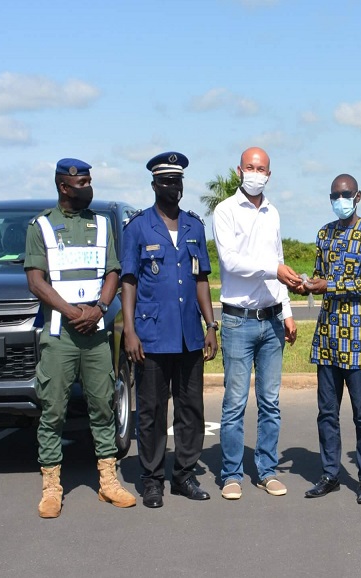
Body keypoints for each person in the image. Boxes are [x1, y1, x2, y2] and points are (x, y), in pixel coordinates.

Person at [24, 158, 137, 518]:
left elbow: (113, 272)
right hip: (60, 334)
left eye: (89, 181)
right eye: (84, 182)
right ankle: (52, 486)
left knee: (102, 404)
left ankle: (108, 481)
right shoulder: (41, 226)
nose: (89, 187)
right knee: (53, 409)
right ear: (64, 186)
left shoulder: (102, 225)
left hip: (96, 332)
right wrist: (74, 312)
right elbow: (36, 280)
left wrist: (100, 308)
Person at [121, 152, 218, 508]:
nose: (172, 187)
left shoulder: (195, 227)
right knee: (151, 411)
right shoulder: (138, 227)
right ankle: (151, 480)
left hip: (190, 335)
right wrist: (129, 331)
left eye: (177, 181)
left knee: (191, 409)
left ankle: (184, 475)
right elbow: (128, 281)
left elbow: (201, 278)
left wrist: (211, 325)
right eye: (165, 181)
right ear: (154, 185)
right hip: (152, 336)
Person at [212, 146, 301, 500]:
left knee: (270, 402)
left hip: (272, 320)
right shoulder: (225, 211)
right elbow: (231, 262)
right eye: (249, 166)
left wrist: (288, 308)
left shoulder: (272, 213)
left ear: (269, 174)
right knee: (234, 403)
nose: (255, 172)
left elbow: (278, 259)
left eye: (261, 168)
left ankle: (266, 470)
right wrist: (273, 270)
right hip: (238, 321)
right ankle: (231, 473)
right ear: (238, 171)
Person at [298, 174, 361, 505]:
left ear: (357, 195)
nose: (340, 199)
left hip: (358, 339)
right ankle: (330, 474)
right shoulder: (324, 233)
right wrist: (304, 284)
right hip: (328, 338)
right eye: (335, 195)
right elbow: (318, 277)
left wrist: (326, 285)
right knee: (327, 413)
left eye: (345, 194)